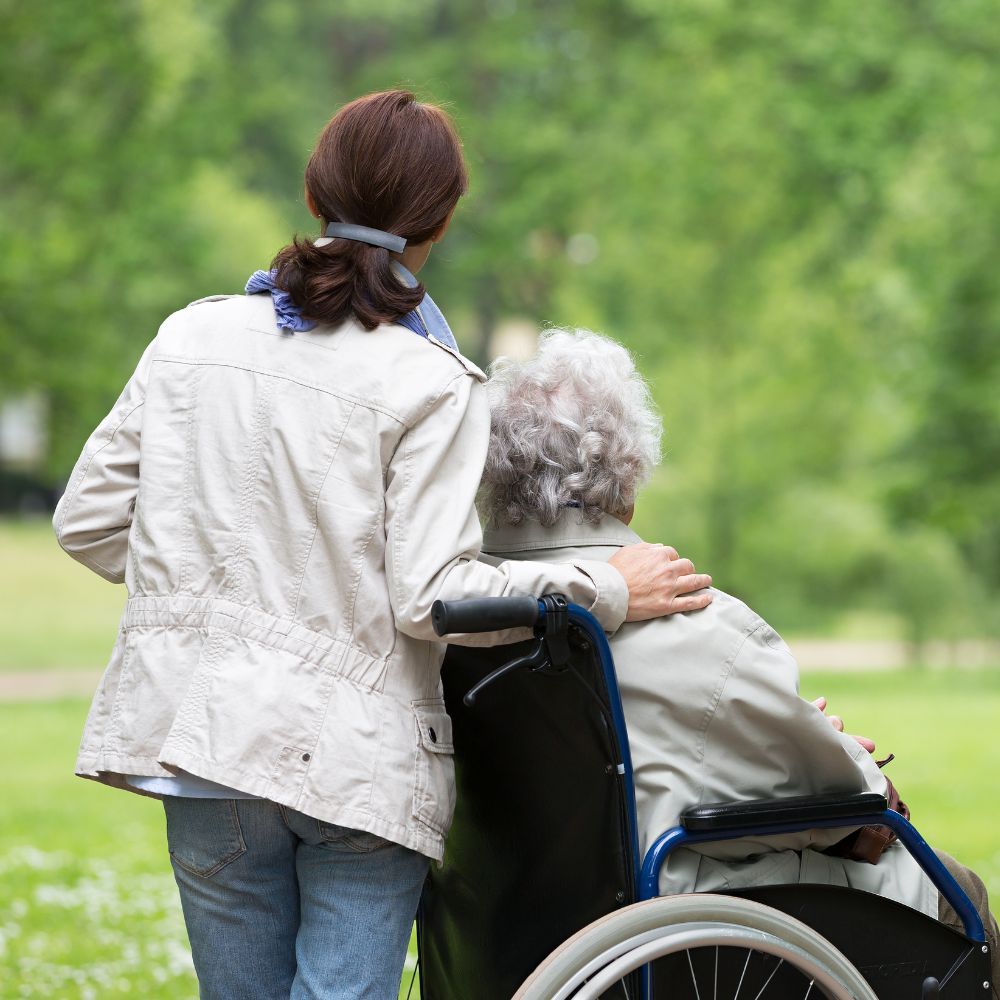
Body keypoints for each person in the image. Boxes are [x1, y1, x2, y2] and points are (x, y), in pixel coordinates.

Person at [52, 92, 711, 1000]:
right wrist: (604, 585)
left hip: (201, 743)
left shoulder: (189, 336)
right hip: (351, 758)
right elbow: (433, 598)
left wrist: (222, 580)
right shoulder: (430, 380)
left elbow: (86, 520)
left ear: (315, 189)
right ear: (438, 221)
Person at [478, 327, 999, 989]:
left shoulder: (475, 611)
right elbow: (853, 805)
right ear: (628, 477)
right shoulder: (694, 619)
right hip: (680, 922)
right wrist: (850, 778)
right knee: (962, 893)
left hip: (524, 923)